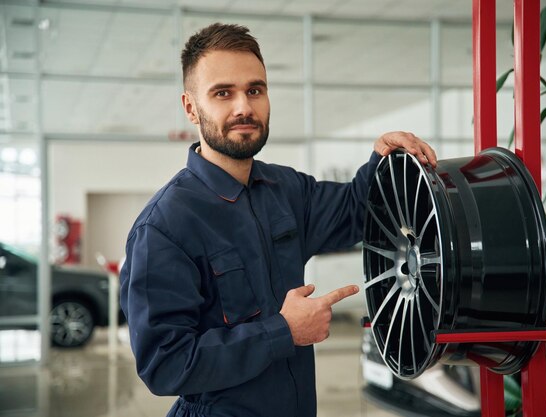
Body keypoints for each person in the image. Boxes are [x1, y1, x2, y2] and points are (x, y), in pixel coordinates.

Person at [119, 22, 437, 417]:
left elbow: (357, 210)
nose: (244, 108)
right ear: (190, 108)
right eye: (223, 93)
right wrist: (282, 332)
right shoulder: (164, 227)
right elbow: (164, 365)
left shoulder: (284, 189)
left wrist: (381, 159)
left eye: (255, 90)